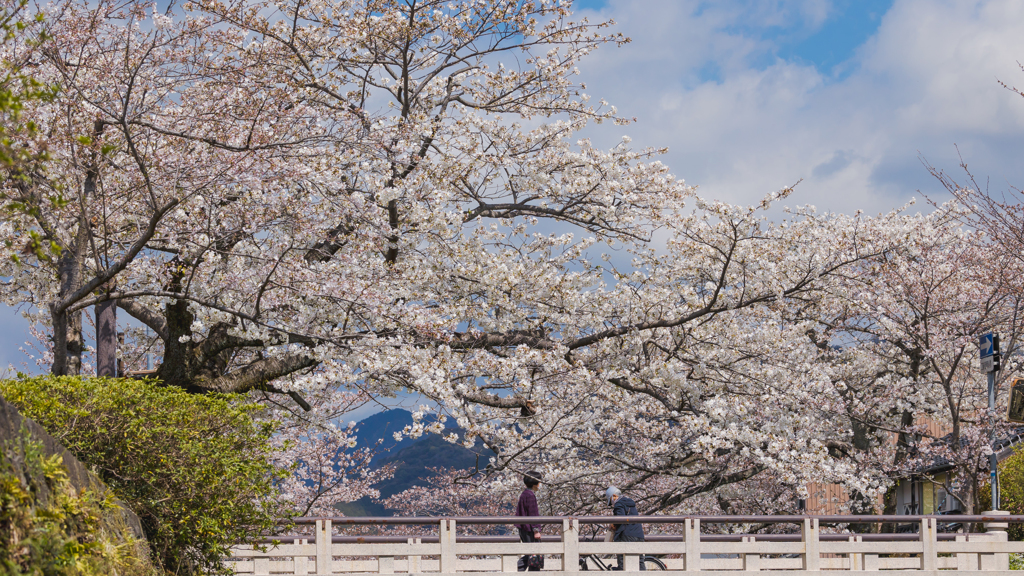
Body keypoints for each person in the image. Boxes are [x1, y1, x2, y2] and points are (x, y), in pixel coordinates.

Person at [606, 486, 646, 571]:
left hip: (627, 535)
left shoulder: (619, 503)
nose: (612, 504)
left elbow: (620, 518)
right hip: (639, 535)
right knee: (640, 562)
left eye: (611, 500)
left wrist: (613, 524)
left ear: (614, 496)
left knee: (623, 563)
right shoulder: (629, 502)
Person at [516, 471, 544, 571]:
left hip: (524, 528)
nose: (540, 484)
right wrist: (536, 530)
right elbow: (533, 513)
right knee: (533, 553)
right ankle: (514, 569)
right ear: (535, 483)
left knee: (532, 553)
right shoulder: (530, 495)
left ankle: (531, 571)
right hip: (529, 529)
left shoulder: (524, 494)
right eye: (539, 482)